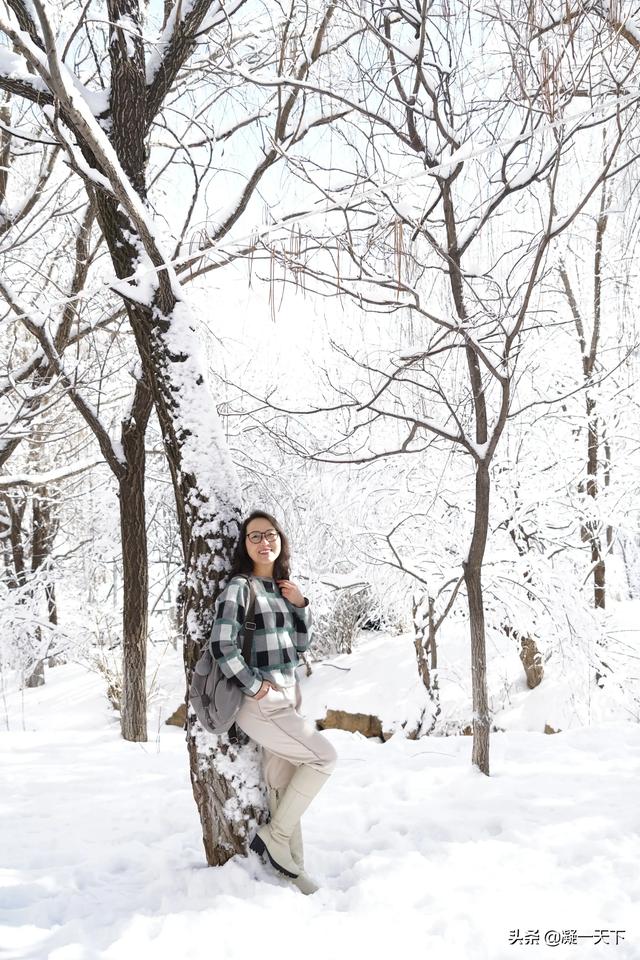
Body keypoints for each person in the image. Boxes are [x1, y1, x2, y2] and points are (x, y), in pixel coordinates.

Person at [209, 510, 337, 895]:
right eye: (254, 536)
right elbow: (221, 643)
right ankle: (274, 834)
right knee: (324, 757)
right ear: (245, 546)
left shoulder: (283, 589)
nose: (264, 541)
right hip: (262, 701)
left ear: (280, 540)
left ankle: (293, 872)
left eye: (270, 534)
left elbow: (301, 647)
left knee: (281, 784)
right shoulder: (240, 587)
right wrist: (252, 685)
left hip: (286, 696)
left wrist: (300, 606)